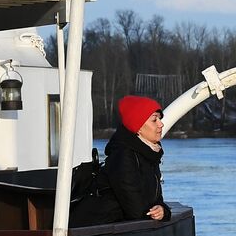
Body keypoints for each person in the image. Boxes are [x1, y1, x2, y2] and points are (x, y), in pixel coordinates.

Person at [69, 94, 171, 225]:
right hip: (94, 231)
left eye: (160, 119)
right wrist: (158, 213)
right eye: (154, 120)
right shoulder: (123, 156)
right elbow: (135, 209)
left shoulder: (149, 154)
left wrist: (162, 210)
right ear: (138, 126)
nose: (161, 124)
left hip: (114, 231)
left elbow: (154, 200)